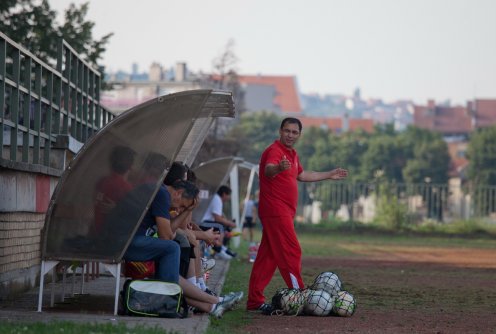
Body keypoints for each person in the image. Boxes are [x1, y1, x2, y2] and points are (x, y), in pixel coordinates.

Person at [246, 117, 348, 313]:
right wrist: (278, 168)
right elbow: (268, 171)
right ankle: (299, 295)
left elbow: (301, 175)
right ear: (280, 131)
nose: (290, 135)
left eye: (294, 132)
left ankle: (254, 301)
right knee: (292, 251)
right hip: (276, 211)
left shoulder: (292, 154)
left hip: (281, 213)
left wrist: (329, 174)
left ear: (299, 134)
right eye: (287, 131)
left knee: (268, 258)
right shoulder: (275, 151)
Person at [200, 185, 237, 260]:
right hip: (202, 222)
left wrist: (227, 222)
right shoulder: (217, 199)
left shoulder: (216, 198)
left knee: (222, 227)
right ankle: (219, 251)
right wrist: (230, 223)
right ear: (224, 194)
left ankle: (222, 249)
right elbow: (218, 218)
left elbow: (219, 217)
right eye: (228, 195)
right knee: (220, 227)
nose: (229, 198)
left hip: (204, 221)